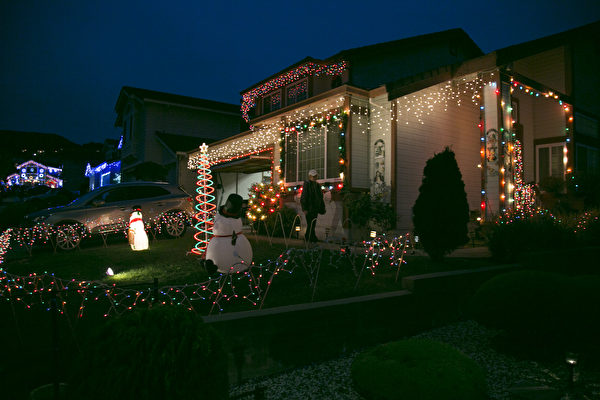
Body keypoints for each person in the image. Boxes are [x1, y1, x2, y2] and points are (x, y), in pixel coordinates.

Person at [205, 193, 253, 274]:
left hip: (229, 264)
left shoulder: (226, 226)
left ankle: (213, 265)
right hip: (243, 264)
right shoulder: (238, 234)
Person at [300, 169, 325, 242]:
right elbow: (304, 196)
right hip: (309, 208)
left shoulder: (317, 185)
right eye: (313, 176)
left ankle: (310, 237)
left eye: (315, 176)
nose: (314, 178)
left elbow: (320, 197)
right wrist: (304, 208)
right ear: (310, 176)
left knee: (312, 223)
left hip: (315, 208)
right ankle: (310, 237)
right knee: (310, 223)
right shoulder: (307, 184)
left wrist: (321, 207)